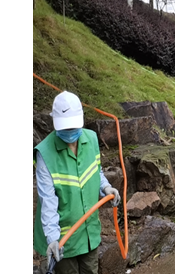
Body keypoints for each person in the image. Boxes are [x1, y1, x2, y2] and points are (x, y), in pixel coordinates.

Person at [33, 91, 121, 274]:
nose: (70, 132)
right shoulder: (45, 154)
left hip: (89, 231)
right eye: (65, 128)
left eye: (73, 126)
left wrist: (105, 187)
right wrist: (52, 238)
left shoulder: (91, 139)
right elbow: (47, 200)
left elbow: (96, 171)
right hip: (63, 238)